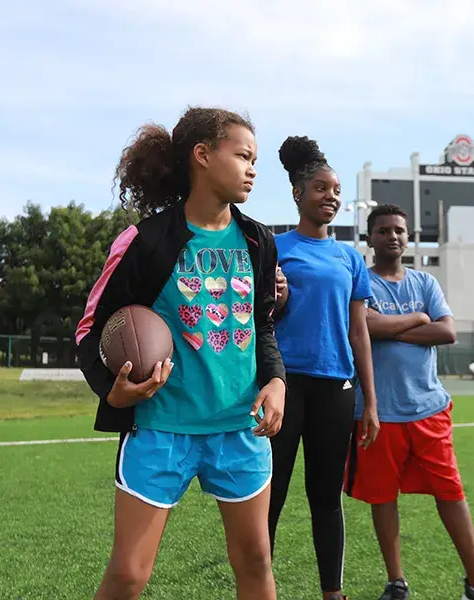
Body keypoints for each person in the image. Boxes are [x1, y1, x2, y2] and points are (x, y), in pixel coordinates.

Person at [74, 108, 287, 600]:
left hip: (239, 427)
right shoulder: (145, 241)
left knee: (256, 561)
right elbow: (90, 328)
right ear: (203, 156)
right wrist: (114, 389)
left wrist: (275, 381)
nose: (253, 169)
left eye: (255, 159)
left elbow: (263, 325)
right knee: (129, 574)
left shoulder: (259, 241)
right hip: (161, 428)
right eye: (243, 156)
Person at [344, 204, 474, 600]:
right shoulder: (361, 282)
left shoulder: (425, 282)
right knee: (382, 497)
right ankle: (396, 581)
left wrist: (389, 330)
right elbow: (363, 326)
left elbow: (448, 332)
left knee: (451, 492)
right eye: (384, 230)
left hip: (428, 409)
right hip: (376, 413)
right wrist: (418, 320)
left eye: (399, 231)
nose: (392, 236)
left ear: (409, 238)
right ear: (370, 238)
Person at [267, 135, 381, 600]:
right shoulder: (273, 247)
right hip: (284, 385)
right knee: (269, 494)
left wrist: (369, 401)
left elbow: (360, 332)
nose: (331, 196)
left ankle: (333, 592)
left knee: (325, 497)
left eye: (335, 190)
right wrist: (279, 300)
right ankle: (260, 586)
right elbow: (261, 317)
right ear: (298, 193)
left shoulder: (350, 258)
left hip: (337, 387)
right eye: (321, 188)